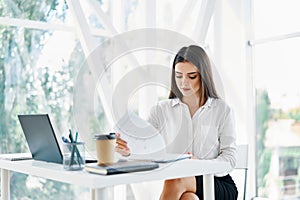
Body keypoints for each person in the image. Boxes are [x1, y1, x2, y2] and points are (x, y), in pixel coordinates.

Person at [116, 45, 238, 200]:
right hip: (184, 186)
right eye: (179, 76)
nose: (184, 83)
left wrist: (199, 165)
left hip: (217, 183)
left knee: (175, 180)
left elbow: (230, 159)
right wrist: (129, 150)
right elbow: (146, 146)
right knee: (188, 198)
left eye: (191, 76)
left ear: (204, 76)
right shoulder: (161, 110)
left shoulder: (222, 110)